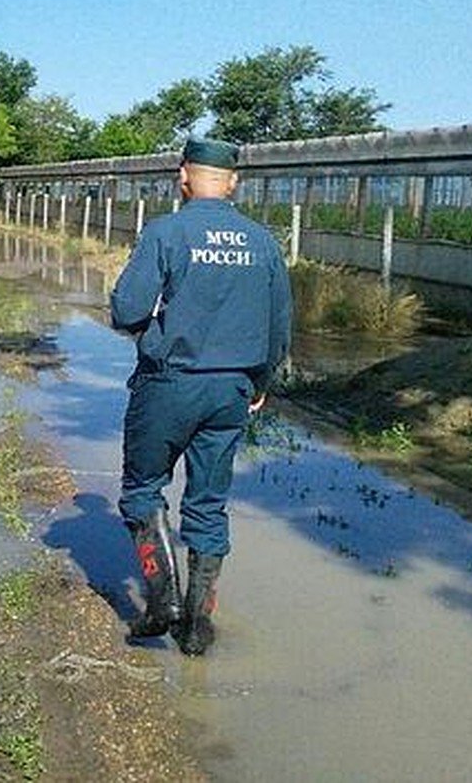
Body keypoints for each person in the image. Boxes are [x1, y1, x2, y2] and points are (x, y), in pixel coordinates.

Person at [110, 137, 292, 656]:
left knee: (143, 489)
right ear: (233, 182)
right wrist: (259, 384)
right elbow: (280, 325)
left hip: (170, 383)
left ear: (183, 177)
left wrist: (152, 332)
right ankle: (196, 627)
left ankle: (162, 601)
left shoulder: (166, 232)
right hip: (232, 390)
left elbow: (126, 311)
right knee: (209, 505)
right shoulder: (263, 241)